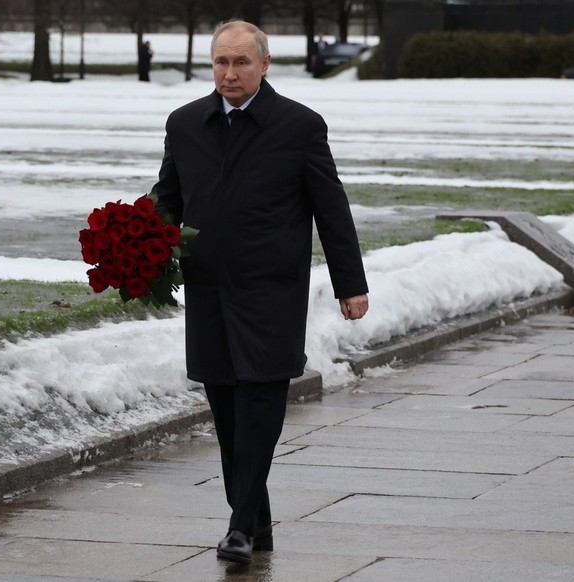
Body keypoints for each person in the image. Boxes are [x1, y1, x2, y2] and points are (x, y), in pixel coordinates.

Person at [152, 20, 369, 565]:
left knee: (261, 407)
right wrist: (136, 249)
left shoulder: (299, 126)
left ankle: (238, 529)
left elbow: (330, 208)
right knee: (226, 412)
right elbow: (168, 201)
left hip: (272, 291)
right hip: (207, 290)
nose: (229, 73)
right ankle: (257, 521)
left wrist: (351, 283)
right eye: (221, 62)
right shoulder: (184, 124)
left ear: (265, 64)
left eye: (241, 62)